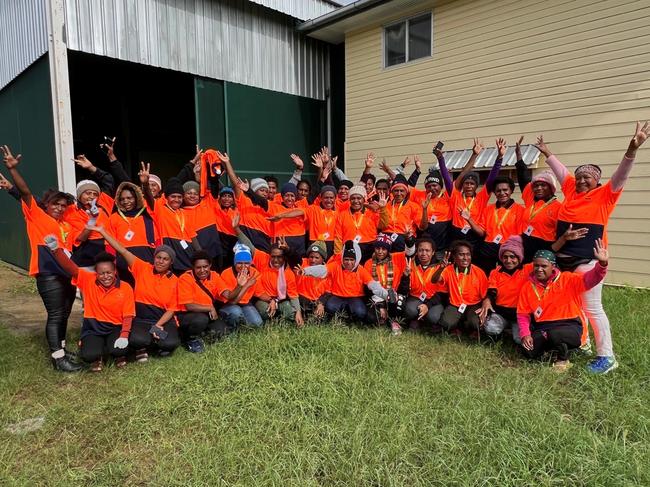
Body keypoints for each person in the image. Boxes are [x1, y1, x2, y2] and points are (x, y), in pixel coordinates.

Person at [536, 121, 649, 374]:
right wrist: (547, 153)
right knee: (575, 305)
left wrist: (632, 149)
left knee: (593, 308)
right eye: (580, 176)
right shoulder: (571, 191)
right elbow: (563, 171)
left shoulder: (605, 195)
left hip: (588, 260)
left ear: (597, 181)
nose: (581, 180)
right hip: (562, 260)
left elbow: (622, 174)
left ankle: (607, 356)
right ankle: (584, 342)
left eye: (587, 177)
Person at [1, 145, 80, 372]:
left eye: (63, 205)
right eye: (56, 203)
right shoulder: (37, 216)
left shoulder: (64, 225)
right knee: (55, 314)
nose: (59, 207)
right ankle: (58, 359)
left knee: (65, 312)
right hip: (48, 274)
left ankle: (63, 349)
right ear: (46, 204)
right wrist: (14, 171)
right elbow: (25, 193)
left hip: (66, 275)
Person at [90, 225, 181, 361]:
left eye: (165, 259)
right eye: (158, 257)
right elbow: (122, 250)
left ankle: (154, 341)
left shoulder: (176, 281)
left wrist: (158, 325)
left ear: (171, 262)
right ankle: (144, 344)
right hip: (142, 319)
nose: (160, 261)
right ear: (154, 257)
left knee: (169, 343)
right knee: (136, 339)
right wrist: (103, 232)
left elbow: (172, 309)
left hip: (162, 320)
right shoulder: (142, 268)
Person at [46, 237, 134, 372]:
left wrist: (124, 335)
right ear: (96, 274)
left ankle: (114, 352)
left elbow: (128, 315)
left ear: (115, 271)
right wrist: (56, 250)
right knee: (88, 355)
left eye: (109, 272)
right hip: (93, 328)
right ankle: (99, 354)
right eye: (101, 273)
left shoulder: (125, 287)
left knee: (120, 350)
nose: (106, 276)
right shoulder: (88, 280)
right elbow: (71, 268)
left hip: (115, 327)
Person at [517, 242, 609, 371]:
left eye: (544, 266)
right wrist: (525, 334)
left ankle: (563, 360)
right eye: (536, 265)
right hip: (544, 328)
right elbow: (522, 314)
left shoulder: (568, 279)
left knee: (555, 335)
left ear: (553, 266)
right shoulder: (527, 287)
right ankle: (553, 351)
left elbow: (591, 279)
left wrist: (602, 264)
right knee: (528, 351)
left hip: (570, 326)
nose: (539, 269)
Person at [299, 240, 389, 323]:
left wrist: (386, 295)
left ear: (356, 260)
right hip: (337, 296)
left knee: (360, 312)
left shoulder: (361, 270)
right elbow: (322, 269)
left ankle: (350, 320)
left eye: (351, 260)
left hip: (355, 297)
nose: (349, 263)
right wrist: (306, 271)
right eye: (346, 259)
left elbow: (373, 285)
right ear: (342, 258)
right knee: (330, 307)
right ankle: (339, 318)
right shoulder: (335, 265)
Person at [439, 138, 504, 249]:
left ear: (476, 186)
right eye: (466, 183)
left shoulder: (481, 197)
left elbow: (491, 178)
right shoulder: (456, 196)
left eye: (472, 184)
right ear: (462, 185)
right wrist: (440, 158)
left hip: (474, 235)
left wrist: (499, 158)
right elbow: (446, 177)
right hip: (456, 234)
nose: (469, 186)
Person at [461, 173, 525, 273]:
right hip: (488, 248)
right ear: (494, 193)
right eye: (498, 191)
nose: (502, 193)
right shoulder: (488, 209)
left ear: (511, 191)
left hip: (507, 249)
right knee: (484, 275)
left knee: (504, 278)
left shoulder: (520, 210)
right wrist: (469, 219)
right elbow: (481, 232)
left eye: (505, 190)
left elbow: (520, 235)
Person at [514, 136, 561, 262]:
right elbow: (523, 177)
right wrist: (518, 156)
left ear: (551, 188)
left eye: (543, 185)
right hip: (525, 245)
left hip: (544, 249)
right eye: (536, 185)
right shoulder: (531, 199)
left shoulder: (559, 207)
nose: (538, 188)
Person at [176, 251, 231, 352]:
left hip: (207, 314)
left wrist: (241, 286)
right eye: (198, 267)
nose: (202, 270)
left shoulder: (214, 276)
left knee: (222, 332)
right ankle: (190, 339)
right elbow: (189, 305)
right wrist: (210, 308)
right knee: (200, 320)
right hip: (189, 315)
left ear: (210, 265)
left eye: (205, 266)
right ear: (193, 267)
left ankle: (203, 333)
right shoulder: (185, 278)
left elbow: (228, 295)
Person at [481, 236, 531, 343]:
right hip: (501, 313)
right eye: (505, 257)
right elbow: (492, 290)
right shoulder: (496, 272)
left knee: (519, 340)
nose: (508, 261)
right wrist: (487, 300)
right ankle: (501, 332)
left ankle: (513, 331)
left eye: (512, 257)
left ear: (519, 257)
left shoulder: (528, 269)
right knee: (490, 328)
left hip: (520, 315)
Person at [108, 180, 158, 285]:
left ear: (136, 198)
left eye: (129, 198)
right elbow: (109, 246)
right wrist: (112, 266)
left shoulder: (148, 215)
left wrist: (145, 184)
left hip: (147, 262)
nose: (126, 201)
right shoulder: (114, 218)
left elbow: (157, 242)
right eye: (122, 199)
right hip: (123, 264)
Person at [435, 240, 488, 337]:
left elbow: (485, 295)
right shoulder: (448, 269)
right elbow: (435, 280)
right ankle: (457, 327)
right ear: (454, 257)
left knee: (476, 324)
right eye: (461, 255)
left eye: (468, 255)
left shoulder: (479, 272)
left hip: (473, 305)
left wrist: (484, 306)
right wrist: (441, 268)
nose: (465, 258)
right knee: (446, 323)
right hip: (455, 305)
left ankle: (469, 327)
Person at [251, 239, 304, 327]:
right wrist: (237, 229)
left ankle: (280, 322)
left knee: (290, 313)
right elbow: (250, 246)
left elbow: (293, 295)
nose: (276, 260)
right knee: (265, 311)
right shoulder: (263, 260)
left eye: (279, 257)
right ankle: (269, 324)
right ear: (269, 256)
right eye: (273, 256)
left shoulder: (288, 272)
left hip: (281, 299)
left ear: (284, 257)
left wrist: (298, 313)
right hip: (264, 299)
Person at [363, 233, 409, 333]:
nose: (380, 252)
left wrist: (405, 276)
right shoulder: (368, 263)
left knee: (399, 300)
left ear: (388, 250)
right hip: (375, 297)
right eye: (378, 248)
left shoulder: (395, 263)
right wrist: (381, 306)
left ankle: (394, 321)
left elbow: (400, 289)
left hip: (392, 297)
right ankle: (383, 318)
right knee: (371, 318)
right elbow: (367, 288)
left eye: (384, 249)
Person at [400, 237, 445, 334]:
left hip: (433, 300)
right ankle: (416, 320)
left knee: (434, 317)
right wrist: (405, 276)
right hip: (415, 298)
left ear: (433, 252)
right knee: (410, 310)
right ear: (416, 251)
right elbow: (403, 291)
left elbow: (442, 293)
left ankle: (427, 321)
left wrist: (427, 305)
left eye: (427, 250)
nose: (424, 253)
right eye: (420, 250)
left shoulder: (440, 267)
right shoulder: (410, 264)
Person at [65, 179, 111, 269]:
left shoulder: (104, 208)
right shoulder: (71, 210)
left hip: (106, 251)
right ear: (80, 195)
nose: (92, 196)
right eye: (88, 193)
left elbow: (109, 181)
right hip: (84, 253)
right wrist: (92, 220)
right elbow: (81, 238)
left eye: (95, 194)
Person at [334, 185, 388, 263]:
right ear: (349, 200)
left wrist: (383, 208)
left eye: (359, 198)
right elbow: (338, 237)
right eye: (353, 198)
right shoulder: (342, 215)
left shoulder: (372, 213)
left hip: (369, 247)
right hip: (350, 247)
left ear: (364, 199)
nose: (356, 201)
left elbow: (383, 225)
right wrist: (338, 254)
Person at [218, 242, 263, 329]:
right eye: (239, 263)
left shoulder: (254, 272)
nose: (243, 266)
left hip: (245, 304)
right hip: (228, 304)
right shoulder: (226, 273)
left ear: (250, 263)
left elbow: (260, 293)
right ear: (235, 263)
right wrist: (245, 285)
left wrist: (274, 300)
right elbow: (232, 301)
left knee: (257, 324)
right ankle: (231, 328)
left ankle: (242, 324)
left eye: (246, 263)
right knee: (236, 312)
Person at [417, 168, 452, 259]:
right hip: (426, 249)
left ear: (441, 186)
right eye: (429, 186)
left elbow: (452, 183)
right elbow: (404, 185)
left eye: (434, 185)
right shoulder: (421, 198)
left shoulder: (449, 197)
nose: (432, 188)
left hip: (442, 249)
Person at [383, 174, 421, 252]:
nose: (399, 193)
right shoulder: (385, 206)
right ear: (392, 192)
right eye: (396, 190)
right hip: (387, 239)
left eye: (402, 191)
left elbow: (422, 227)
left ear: (406, 192)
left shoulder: (414, 206)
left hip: (406, 239)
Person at [294, 241, 330, 318]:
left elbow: (328, 292)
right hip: (300, 298)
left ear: (323, 259)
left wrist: (321, 303)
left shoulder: (327, 270)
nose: (313, 260)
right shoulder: (302, 263)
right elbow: (292, 258)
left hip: (316, 301)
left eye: (317, 258)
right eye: (311, 257)